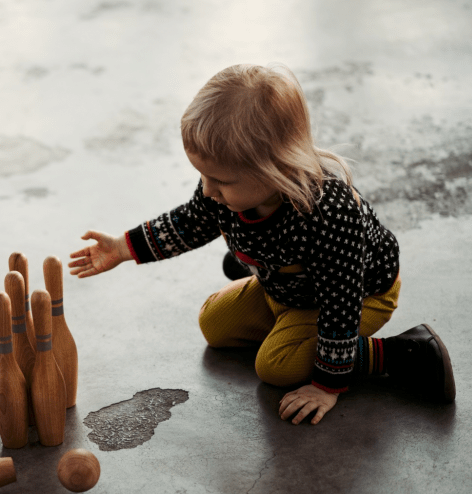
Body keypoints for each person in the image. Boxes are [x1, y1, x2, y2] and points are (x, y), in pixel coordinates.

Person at [69, 63, 455, 426]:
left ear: (277, 167)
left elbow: (341, 307)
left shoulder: (328, 215)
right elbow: (188, 222)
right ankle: (259, 263)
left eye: (219, 182)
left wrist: (326, 385)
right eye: (202, 176)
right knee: (213, 324)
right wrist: (122, 247)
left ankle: (406, 353)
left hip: (359, 294)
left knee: (276, 367)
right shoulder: (226, 187)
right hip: (291, 286)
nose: (207, 190)